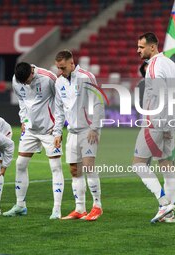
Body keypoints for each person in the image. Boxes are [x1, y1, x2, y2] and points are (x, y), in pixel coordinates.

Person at [3, 62, 64, 219]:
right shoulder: (17, 80)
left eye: (28, 81)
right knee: (20, 164)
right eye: (23, 83)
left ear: (32, 72)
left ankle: (56, 209)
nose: (26, 84)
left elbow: (60, 104)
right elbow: (22, 101)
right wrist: (23, 119)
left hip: (49, 130)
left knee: (55, 167)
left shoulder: (49, 78)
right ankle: (20, 205)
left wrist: (57, 130)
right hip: (30, 129)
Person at [132, 32, 175, 223]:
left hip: (156, 120)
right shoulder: (170, 64)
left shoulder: (153, 66)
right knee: (167, 166)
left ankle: (163, 204)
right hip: (172, 120)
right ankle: (169, 215)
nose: (138, 50)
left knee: (138, 164)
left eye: (141, 47)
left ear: (153, 47)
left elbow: (159, 94)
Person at [53, 50, 104, 221]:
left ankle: (97, 206)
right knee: (75, 170)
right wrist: (57, 132)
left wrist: (95, 128)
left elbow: (98, 102)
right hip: (72, 131)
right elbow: (59, 110)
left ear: (71, 63)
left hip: (88, 130)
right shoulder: (59, 82)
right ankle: (80, 208)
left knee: (89, 166)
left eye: (62, 67)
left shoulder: (85, 77)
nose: (60, 71)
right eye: (58, 68)